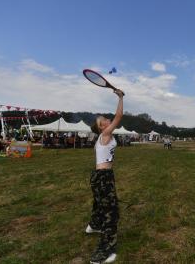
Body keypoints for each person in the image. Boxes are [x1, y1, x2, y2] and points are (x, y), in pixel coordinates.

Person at [86, 89, 124, 264]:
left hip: (98, 176)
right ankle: (104, 252)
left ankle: (93, 225)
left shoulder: (103, 136)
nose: (108, 120)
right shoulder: (106, 134)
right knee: (111, 212)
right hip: (104, 177)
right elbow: (118, 116)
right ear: (102, 127)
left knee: (99, 203)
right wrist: (121, 97)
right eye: (104, 121)